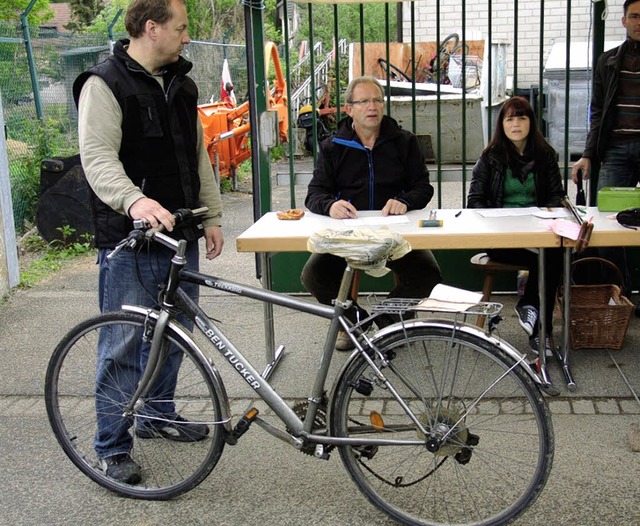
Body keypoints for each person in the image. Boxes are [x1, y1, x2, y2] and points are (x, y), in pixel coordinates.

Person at [73, 0, 224, 484]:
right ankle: (112, 448)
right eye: (180, 28)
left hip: (180, 233)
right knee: (121, 344)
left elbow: (197, 153)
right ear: (151, 27)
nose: (186, 38)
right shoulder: (104, 83)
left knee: (177, 331)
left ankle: (158, 414)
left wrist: (213, 215)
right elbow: (96, 157)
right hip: (131, 241)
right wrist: (135, 202)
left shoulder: (182, 82)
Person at [302, 76, 442, 351]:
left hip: (395, 234)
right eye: (364, 101)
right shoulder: (332, 147)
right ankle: (355, 323)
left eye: (377, 100)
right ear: (349, 108)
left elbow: (423, 188)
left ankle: (389, 320)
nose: (372, 106)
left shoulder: (404, 142)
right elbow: (314, 194)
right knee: (314, 276)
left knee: (428, 273)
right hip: (348, 235)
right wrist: (331, 206)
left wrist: (404, 200)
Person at [468, 96, 564, 357]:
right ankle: (538, 326)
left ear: (531, 122)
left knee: (552, 251)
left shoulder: (546, 156)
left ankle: (535, 321)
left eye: (522, 117)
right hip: (503, 239)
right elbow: (474, 202)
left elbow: (557, 195)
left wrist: (545, 213)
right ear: (502, 124)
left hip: (538, 235)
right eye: (510, 118)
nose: (516, 123)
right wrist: (501, 219)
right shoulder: (490, 158)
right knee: (549, 257)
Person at [571, 0, 640, 297]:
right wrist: (588, 153)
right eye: (635, 16)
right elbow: (597, 111)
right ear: (623, 21)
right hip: (616, 151)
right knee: (608, 227)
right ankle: (620, 293)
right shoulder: (608, 61)